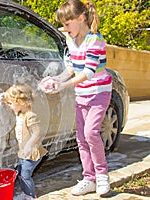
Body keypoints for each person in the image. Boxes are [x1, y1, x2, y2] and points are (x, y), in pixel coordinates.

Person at [39, 0, 112, 196]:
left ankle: (102, 176)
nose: (64, 28)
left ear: (81, 19)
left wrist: (63, 86)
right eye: (62, 24)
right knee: (81, 137)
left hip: (99, 92)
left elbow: (88, 72)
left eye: (67, 24)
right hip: (82, 94)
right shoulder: (71, 41)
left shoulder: (95, 40)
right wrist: (56, 79)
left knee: (91, 133)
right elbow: (72, 68)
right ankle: (89, 179)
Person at [1, 83, 48, 200]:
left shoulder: (30, 116)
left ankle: (31, 196)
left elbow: (37, 132)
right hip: (24, 152)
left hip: (32, 153)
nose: (10, 107)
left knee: (25, 175)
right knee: (20, 173)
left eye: (11, 104)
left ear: (20, 103)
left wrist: (29, 145)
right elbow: (12, 105)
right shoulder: (20, 112)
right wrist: (5, 99)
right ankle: (25, 193)